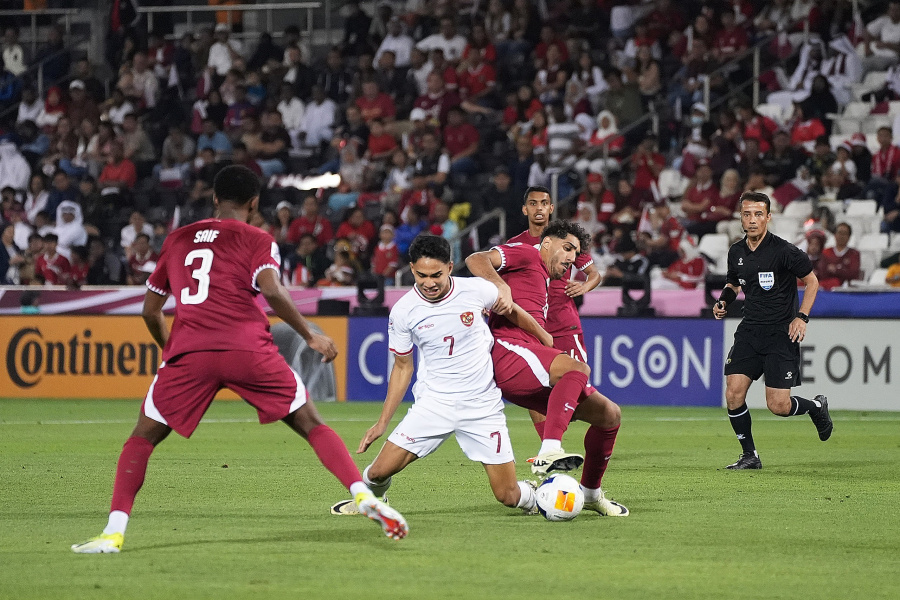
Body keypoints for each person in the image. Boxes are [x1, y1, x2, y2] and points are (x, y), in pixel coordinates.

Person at [71, 166, 407, 554]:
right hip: (247, 347)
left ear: (214, 198)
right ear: (254, 203)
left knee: (141, 439)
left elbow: (150, 311)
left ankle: (113, 533)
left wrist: (172, 350)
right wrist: (309, 334)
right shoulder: (257, 238)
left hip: (191, 349)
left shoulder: (178, 239)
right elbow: (273, 290)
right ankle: (362, 494)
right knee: (311, 423)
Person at [330, 234, 543, 516]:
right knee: (377, 473)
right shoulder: (404, 311)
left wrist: (545, 339)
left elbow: (513, 312)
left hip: (481, 405)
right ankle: (371, 501)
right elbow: (403, 367)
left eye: (436, 275)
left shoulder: (477, 290)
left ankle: (540, 496)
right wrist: (382, 423)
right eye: (421, 275)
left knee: (508, 495)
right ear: (412, 269)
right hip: (434, 404)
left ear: (450, 268)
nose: (429, 282)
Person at [712, 191, 833, 470]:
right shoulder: (736, 252)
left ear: (768, 217)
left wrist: (801, 317)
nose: (752, 220)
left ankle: (816, 407)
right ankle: (750, 456)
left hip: (781, 334)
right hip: (750, 331)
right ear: (740, 218)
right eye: (747, 214)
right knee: (733, 393)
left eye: (758, 214)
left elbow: (812, 282)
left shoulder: (785, 251)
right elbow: (733, 284)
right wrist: (723, 301)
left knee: (778, 405)